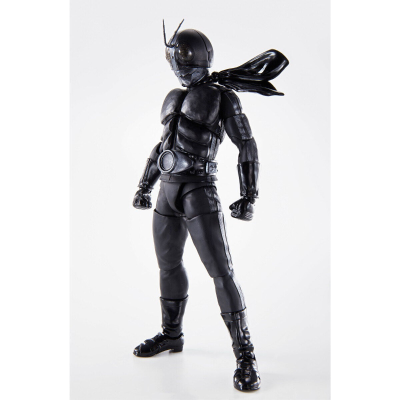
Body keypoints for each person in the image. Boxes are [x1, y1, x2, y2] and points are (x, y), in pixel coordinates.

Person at [132, 20, 288, 391]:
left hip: (199, 189)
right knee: (168, 266)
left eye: (181, 59)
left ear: (197, 59)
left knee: (221, 272)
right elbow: (162, 146)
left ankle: (245, 354)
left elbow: (246, 144)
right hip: (167, 190)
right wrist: (144, 185)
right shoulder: (173, 96)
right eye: (174, 60)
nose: (177, 66)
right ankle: (171, 334)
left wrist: (249, 194)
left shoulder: (222, 97)